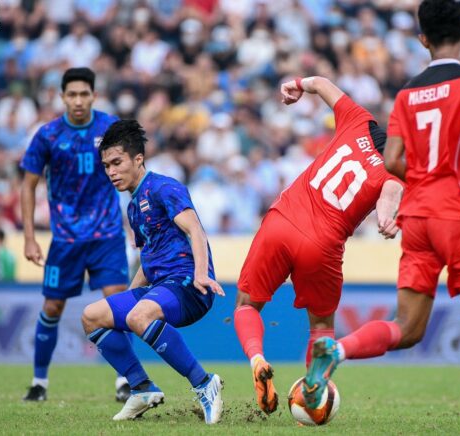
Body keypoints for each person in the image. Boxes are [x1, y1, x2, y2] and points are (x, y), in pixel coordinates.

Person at [303, 2, 460, 436]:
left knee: (408, 328)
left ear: (422, 39)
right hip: (459, 212)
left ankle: (337, 349)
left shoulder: (406, 94)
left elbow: (394, 159)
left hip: (416, 217)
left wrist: (418, 186)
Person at [233, 75, 404, 415]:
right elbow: (390, 197)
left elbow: (322, 84)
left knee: (247, 305)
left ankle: (257, 359)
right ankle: (312, 394)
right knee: (322, 327)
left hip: (282, 220)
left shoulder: (359, 121)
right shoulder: (397, 173)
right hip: (322, 244)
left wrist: (297, 83)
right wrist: (387, 220)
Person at [80, 120, 225, 424]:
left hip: (188, 284)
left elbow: (196, 231)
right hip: (160, 286)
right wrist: (125, 299)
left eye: (117, 163)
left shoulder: (163, 187)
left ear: (138, 159)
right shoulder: (133, 208)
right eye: (106, 165)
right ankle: (142, 388)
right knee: (93, 316)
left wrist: (201, 274)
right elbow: (147, 261)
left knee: (138, 316)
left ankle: (204, 384)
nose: (111, 171)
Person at [20, 68, 130, 402]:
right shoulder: (48, 135)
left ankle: (125, 380)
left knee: (118, 301)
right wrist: (28, 236)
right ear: (62, 96)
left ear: (94, 95)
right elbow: (28, 185)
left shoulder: (110, 128)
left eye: (84, 94)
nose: (78, 100)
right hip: (65, 239)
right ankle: (39, 382)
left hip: (107, 234)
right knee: (52, 307)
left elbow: (131, 171)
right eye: (72, 94)